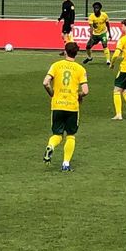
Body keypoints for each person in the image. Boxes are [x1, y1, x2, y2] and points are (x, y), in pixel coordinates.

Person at [42, 42, 89, 172]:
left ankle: (51, 146)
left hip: (57, 105)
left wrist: (52, 93)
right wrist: (78, 95)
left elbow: (45, 82)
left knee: (57, 134)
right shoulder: (80, 69)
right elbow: (85, 91)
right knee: (71, 135)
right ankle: (66, 164)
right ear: (76, 53)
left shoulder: (56, 65)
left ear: (65, 51)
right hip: (72, 106)